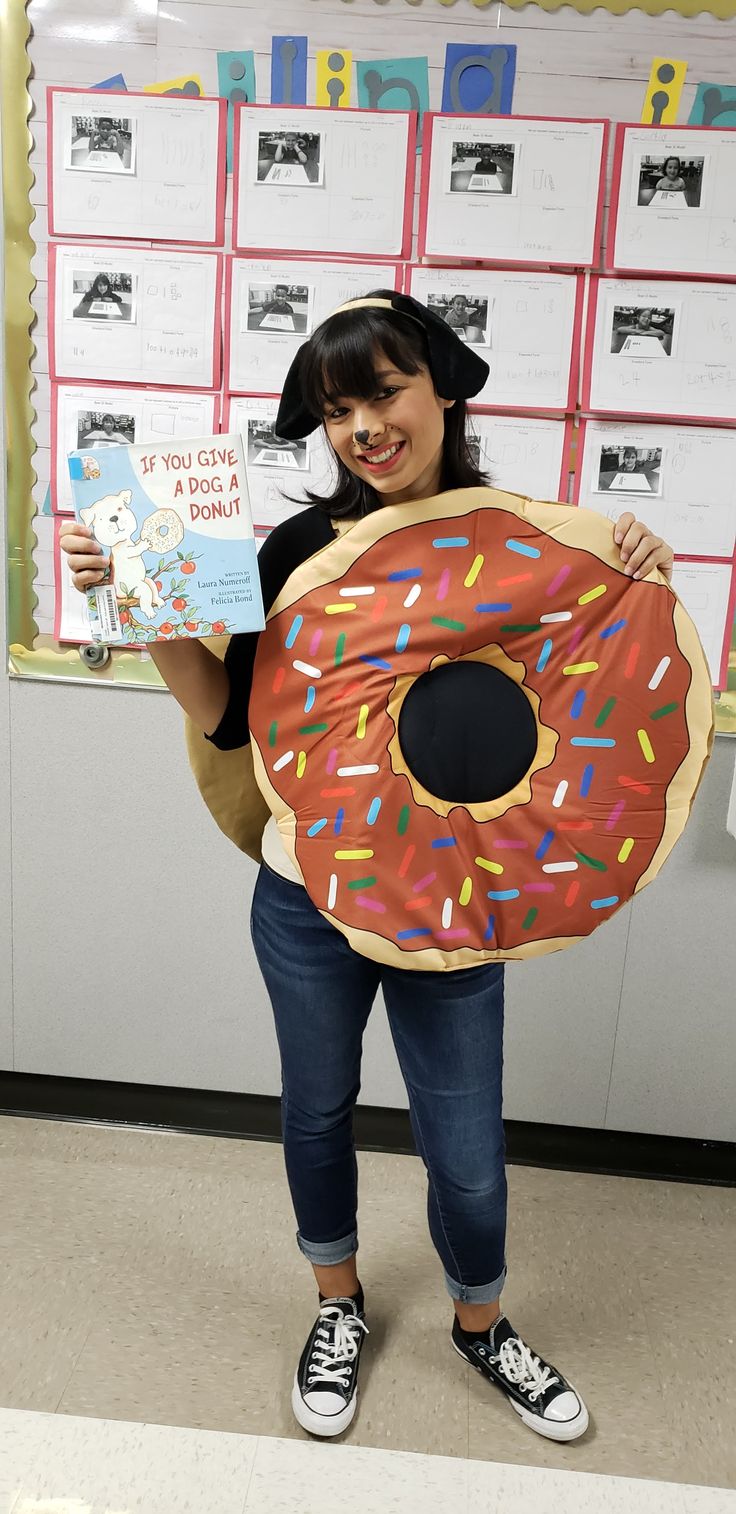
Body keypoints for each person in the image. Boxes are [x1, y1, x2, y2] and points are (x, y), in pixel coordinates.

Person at [59, 290, 674, 1445]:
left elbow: (610, 658)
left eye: (383, 392)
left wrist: (636, 555)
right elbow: (224, 714)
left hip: (458, 903)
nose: (363, 428)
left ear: (443, 385)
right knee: (315, 1111)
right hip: (305, 896)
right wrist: (135, 593)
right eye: (337, 410)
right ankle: (336, 1305)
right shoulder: (296, 549)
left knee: (465, 1141)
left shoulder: (527, 539)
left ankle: (481, 1324)